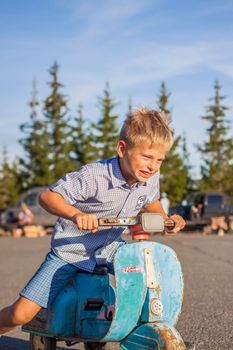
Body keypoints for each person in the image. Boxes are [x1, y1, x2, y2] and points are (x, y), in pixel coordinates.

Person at [0, 106, 185, 335]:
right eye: (147, 157)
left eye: (159, 160)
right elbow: (47, 197)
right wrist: (76, 215)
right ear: (122, 148)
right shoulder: (94, 176)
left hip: (109, 248)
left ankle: (140, 329)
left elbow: (151, 202)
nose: (153, 166)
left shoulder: (150, 177)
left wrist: (168, 220)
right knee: (20, 314)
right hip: (70, 252)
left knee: (149, 275)